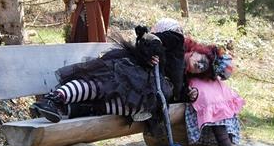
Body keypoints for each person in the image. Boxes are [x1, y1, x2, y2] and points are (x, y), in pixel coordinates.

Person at [31, 25, 185, 123]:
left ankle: (77, 108)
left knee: (133, 106)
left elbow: (177, 81)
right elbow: (153, 42)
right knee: (99, 85)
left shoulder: (177, 61)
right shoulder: (158, 41)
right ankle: (54, 99)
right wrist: (150, 52)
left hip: (146, 90)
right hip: (129, 72)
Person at [180, 34, 245, 146]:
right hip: (197, 91)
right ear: (196, 52)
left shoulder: (203, 77)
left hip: (212, 94)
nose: (199, 65)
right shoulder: (180, 50)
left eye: (202, 67)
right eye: (200, 61)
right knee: (221, 132)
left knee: (221, 130)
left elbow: (223, 72)